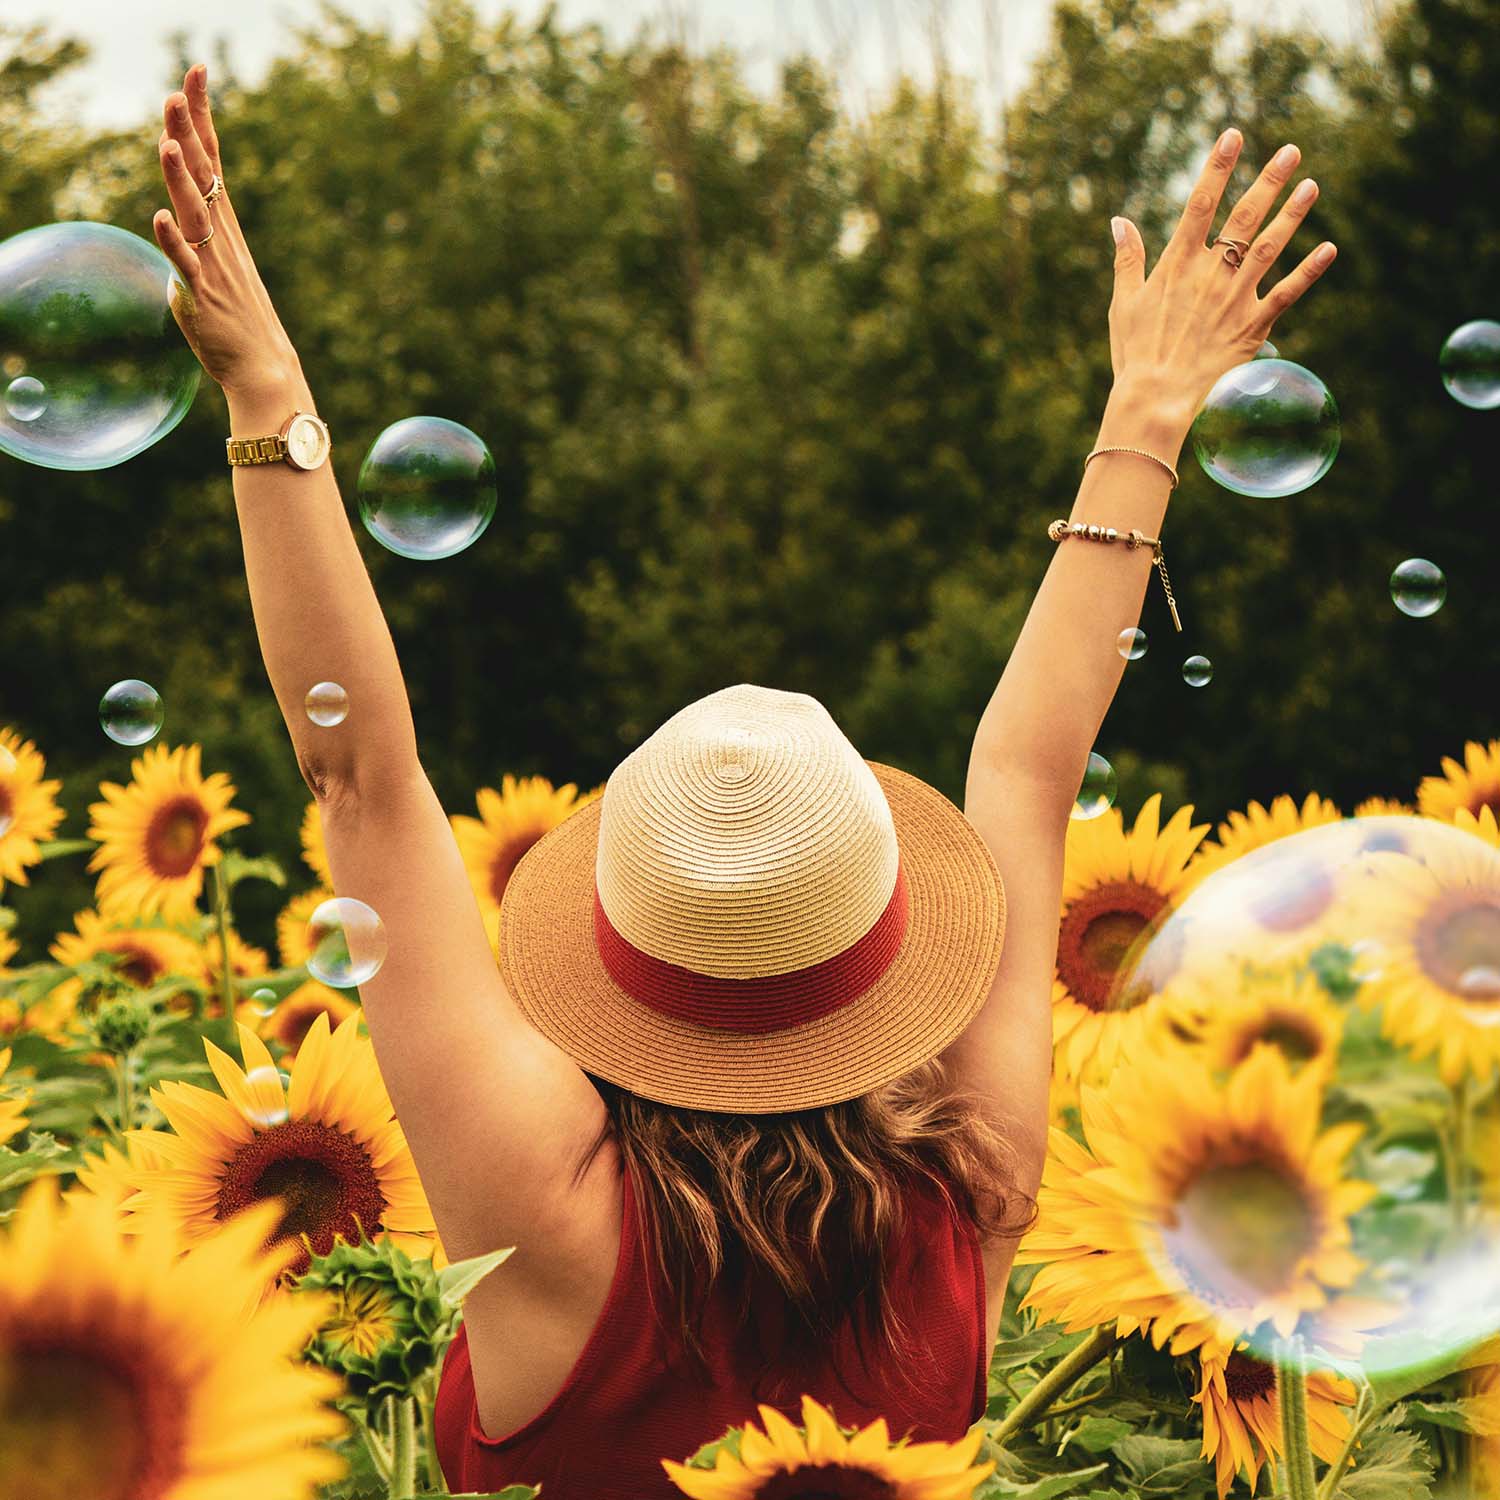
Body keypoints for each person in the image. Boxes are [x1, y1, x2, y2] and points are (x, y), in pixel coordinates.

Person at [149, 62, 1336, 1499]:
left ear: (620, 949)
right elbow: (1025, 773)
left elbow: (362, 782)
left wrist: (269, 393)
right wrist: (1147, 414)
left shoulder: (548, 1212)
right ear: (882, 946)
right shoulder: (969, 1200)